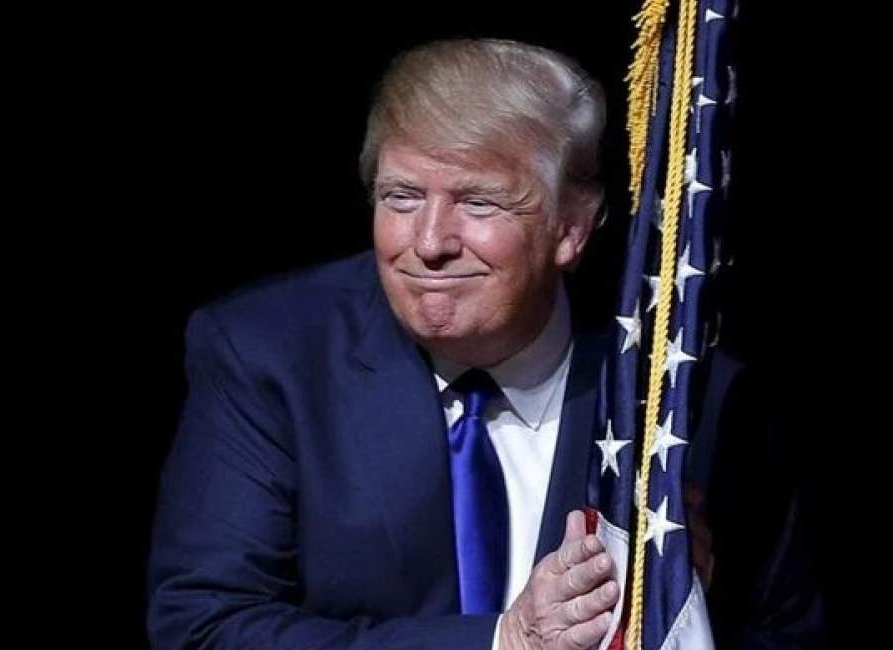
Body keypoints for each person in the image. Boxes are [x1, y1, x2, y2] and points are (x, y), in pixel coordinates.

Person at [146, 38, 823, 649]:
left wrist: (688, 606)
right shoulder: (267, 355)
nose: (429, 242)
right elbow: (202, 626)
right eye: (402, 197)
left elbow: (788, 635)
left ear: (571, 227)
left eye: (479, 203)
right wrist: (506, 641)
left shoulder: (686, 391)